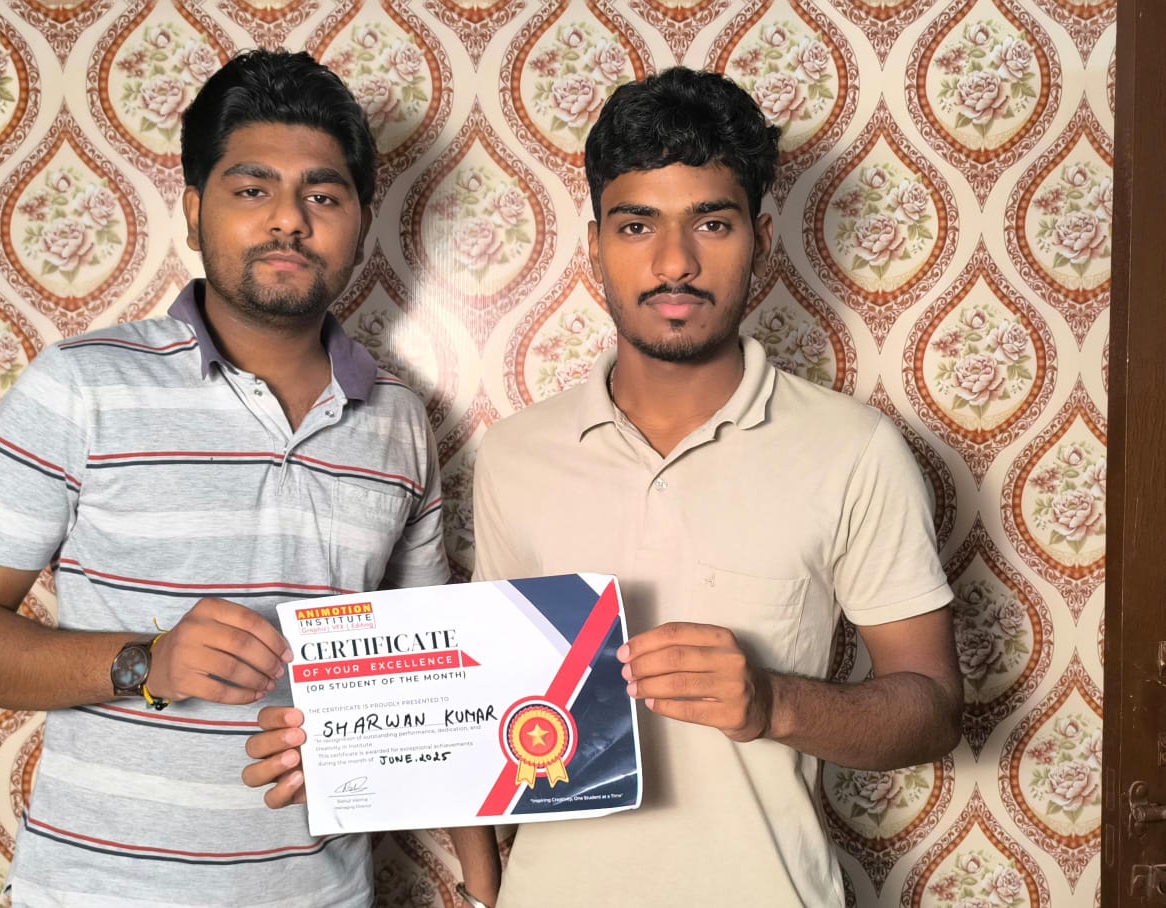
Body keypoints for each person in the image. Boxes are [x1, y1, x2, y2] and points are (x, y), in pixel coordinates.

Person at [246, 66, 962, 907]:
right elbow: (477, 709)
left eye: (712, 223)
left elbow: (932, 711)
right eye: (635, 225)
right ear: (594, 246)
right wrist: (344, 738)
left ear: (762, 240)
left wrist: (775, 703)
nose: (673, 262)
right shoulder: (515, 454)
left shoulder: (854, 450)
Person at [0, 49, 485, 907]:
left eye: (323, 197)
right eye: (251, 189)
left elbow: (430, 679)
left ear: (360, 224)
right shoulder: (81, 385)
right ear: (193, 210)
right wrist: (147, 663)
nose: (288, 220)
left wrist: (484, 882)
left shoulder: (398, 420)